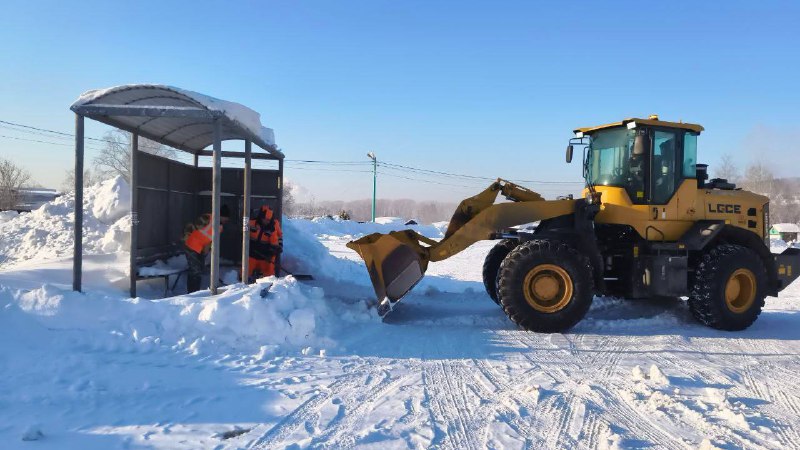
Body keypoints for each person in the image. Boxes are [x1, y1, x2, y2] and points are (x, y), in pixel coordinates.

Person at [183, 205, 231, 292]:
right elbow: (191, 227)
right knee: (195, 270)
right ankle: (191, 293)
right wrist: (186, 238)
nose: (226, 220)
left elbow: (210, 240)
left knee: (199, 270)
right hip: (191, 246)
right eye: (226, 218)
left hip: (200, 249)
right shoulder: (207, 218)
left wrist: (205, 251)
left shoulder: (220, 227)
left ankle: (195, 291)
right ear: (221, 215)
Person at [248, 204, 283, 279]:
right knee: (245, 273)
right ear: (261, 217)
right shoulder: (251, 223)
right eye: (265, 219)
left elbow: (275, 242)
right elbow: (243, 235)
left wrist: (271, 253)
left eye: (268, 220)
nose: (266, 221)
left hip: (265, 255)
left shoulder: (272, 228)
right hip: (252, 253)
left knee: (269, 275)